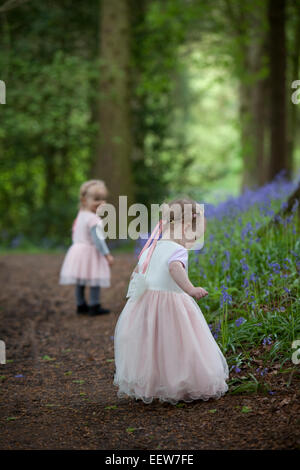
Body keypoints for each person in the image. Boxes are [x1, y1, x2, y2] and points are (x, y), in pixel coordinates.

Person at [113, 198, 229, 404]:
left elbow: (137, 271)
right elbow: (175, 268)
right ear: (185, 227)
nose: (193, 242)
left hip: (145, 304)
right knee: (177, 344)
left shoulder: (151, 247)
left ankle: (151, 382)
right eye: (195, 236)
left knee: (151, 345)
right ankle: (179, 382)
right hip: (171, 303)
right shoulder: (178, 250)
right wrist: (191, 289)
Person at [59, 179, 114, 316]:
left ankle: (81, 304)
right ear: (84, 200)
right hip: (90, 251)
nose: (101, 202)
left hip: (77, 251)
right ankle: (94, 305)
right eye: (96, 199)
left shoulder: (81, 216)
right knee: (95, 277)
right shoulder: (93, 219)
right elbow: (98, 240)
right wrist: (107, 254)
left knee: (81, 279)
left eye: (103, 199)